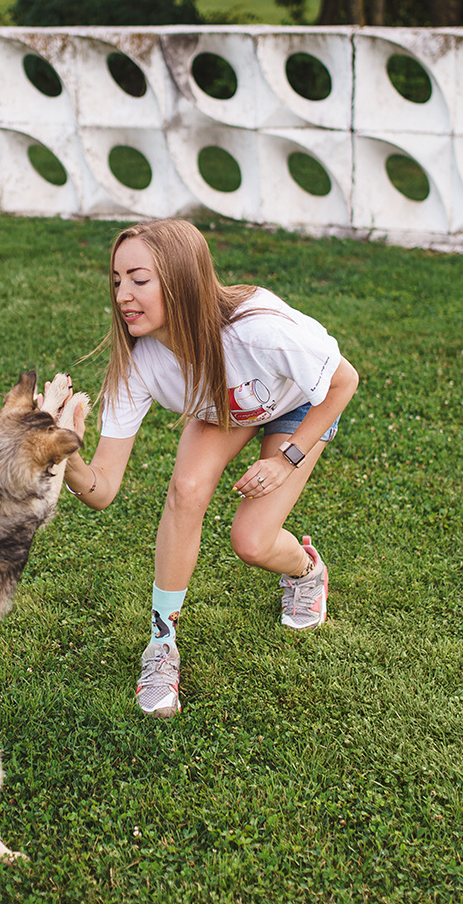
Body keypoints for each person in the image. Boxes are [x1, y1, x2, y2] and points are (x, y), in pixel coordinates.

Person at [56, 219, 359, 719]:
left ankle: (308, 571)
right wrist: (66, 454)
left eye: (138, 279)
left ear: (178, 279)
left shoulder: (257, 330)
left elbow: (343, 381)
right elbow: (101, 489)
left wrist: (286, 460)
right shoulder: (142, 362)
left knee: (252, 542)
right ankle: (161, 646)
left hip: (302, 400)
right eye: (116, 281)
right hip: (228, 402)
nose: (123, 294)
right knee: (187, 488)